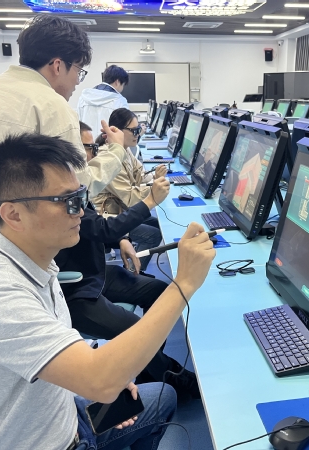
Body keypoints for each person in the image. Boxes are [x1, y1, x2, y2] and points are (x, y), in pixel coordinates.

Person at [0, 132, 215, 450]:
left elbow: (59, 348)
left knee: (161, 396)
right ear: (13, 214)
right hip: (48, 442)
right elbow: (101, 382)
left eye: (81, 197)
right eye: (68, 202)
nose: (81, 211)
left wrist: (101, 366)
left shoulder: (37, 263)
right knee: (128, 386)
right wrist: (184, 284)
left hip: (59, 408)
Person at [0, 15, 126, 291]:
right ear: (57, 65)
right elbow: (78, 188)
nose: (78, 82)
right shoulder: (50, 104)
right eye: (78, 71)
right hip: (7, 258)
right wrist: (116, 150)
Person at [55, 133, 200, 397]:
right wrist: (150, 201)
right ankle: (172, 376)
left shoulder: (75, 186)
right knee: (138, 330)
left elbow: (94, 225)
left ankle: (149, 370)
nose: (93, 152)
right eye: (90, 147)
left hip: (94, 273)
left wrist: (120, 239)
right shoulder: (61, 196)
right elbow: (101, 228)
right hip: (76, 292)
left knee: (158, 290)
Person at [90, 110, 167, 271]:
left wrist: (155, 178)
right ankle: (133, 274)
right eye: (134, 130)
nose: (138, 134)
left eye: (139, 129)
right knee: (153, 235)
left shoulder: (124, 150)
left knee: (160, 225)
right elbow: (130, 199)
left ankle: (135, 268)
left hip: (121, 209)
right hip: (109, 217)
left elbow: (140, 176)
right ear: (117, 131)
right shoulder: (110, 159)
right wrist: (154, 190)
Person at [78, 64, 130, 138]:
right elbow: (124, 130)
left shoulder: (83, 98)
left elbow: (78, 124)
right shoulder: (120, 101)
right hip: (109, 143)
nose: (122, 89)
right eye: (123, 85)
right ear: (117, 82)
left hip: (86, 142)